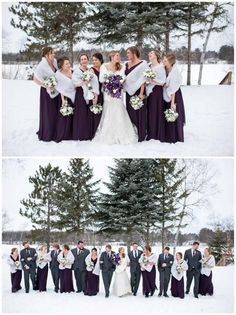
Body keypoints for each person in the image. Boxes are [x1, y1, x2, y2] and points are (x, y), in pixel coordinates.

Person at [93, 51, 138, 145]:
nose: (119, 57)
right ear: (112, 57)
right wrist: (110, 82)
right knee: (109, 111)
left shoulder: (122, 67)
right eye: (117, 56)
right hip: (108, 93)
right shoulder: (104, 66)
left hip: (118, 94)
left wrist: (117, 82)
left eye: (119, 56)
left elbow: (123, 78)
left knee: (119, 110)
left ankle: (122, 134)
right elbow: (101, 79)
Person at [34, 46, 60, 141]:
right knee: (48, 112)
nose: (54, 54)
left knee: (56, 111)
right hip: (46, 92)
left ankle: (56, 131)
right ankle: (48, 133)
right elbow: (35, 80)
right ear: (46, 55)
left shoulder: (54, 62)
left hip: (57, 91)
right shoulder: (41, 66)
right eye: (51, 53)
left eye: (53, 52)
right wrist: (47, 85)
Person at [72, 53, 99, 140]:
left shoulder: (90, 71)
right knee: (81, 113)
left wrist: (94, 94)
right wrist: (84, 82)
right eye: (82, 59)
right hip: (80, 94)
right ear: (80, 61)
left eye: (85, 59)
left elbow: (94, 83)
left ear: (88, 60)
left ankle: (88, 134)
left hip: (89, 93)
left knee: (88, 114)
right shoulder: (77, 71)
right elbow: (74, 84)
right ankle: (80, 134)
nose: (84, 61)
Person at [124, 46, 148, 142]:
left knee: (140, 113)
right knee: (130, 112)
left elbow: (143, 79)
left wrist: (141, 94)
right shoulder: (126, 64)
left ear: (134, 53)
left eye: (129, 53)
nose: (127, 55)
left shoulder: (143, 64)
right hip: (129, 92)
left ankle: (141, 134)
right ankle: (133, 134)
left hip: (139, 92)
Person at [163, 53, 185, 143]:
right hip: (167, 94)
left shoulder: (174, 72)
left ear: (170, 62)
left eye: (165, 61)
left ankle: (174, 136)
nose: (163, 62)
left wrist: (172, 102)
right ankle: (167, 134)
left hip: (174, 96)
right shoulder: (165, 69)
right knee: (167, 115)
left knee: (172, 113)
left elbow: (174, 88)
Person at [146, 50, 166, 142]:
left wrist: (151, 81)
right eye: (149, 53)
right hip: (149, 92)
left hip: (157, 92)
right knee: (150, 112)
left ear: (156, 55)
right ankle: (150, 132)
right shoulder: (149, 66)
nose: (149, 54)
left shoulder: (160, 67)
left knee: (156, 111)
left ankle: (157, 134)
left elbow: (162, 82)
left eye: (151, 53)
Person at [55, 56, 75, 142]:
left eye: (69, 63)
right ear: (62, 65)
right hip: (65, 97)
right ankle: (64, 134)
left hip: (74, 95)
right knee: (65, 116)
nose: (68, 65)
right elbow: (60, 88)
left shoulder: (73, 71)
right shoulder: (58, 74)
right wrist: (63, 100)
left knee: (73, 116)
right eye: (66, 64)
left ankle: (72, 133)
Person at [90, 53, 104, 138]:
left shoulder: (104, 68)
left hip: (104, 93)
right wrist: (93, 94)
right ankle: (95, 131)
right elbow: (89, 84)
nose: (94, 62)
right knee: (96, 112)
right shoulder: (91, 70)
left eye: (96, 60)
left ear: (100, 60)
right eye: (93, 60)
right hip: (95, 94)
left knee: (104, 111)